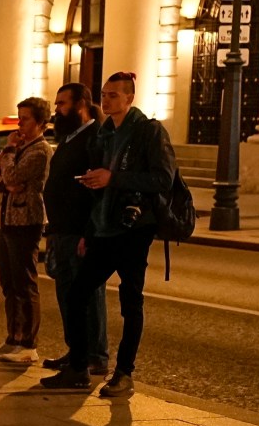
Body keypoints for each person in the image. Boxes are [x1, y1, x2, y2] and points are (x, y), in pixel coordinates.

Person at [49, 72, 172, 398]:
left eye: (114, 95)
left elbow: (162, 179)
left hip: (134, 230)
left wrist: (112, 178)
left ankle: (124, 373)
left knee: (131, 303)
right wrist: (88, 232)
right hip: (103, 228)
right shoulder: (104, 135)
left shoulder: (148, 131)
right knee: (77, 294)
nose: (106, 100)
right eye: (104, 94)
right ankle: (78, 367)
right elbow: (97, 191)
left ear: (129, 98)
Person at [39, 83, 111, 383]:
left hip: (80, 232)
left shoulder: (96, 139)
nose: (56, 110)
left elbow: (96, 193)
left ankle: (94, 356)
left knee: (87, 295)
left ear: (82, 103)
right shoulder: (70, 138)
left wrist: (89, 233)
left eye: (62, 104)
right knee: (67, 294)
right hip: (62, 230)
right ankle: (76, 350)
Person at [0, 98, 53, 365]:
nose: (20, 124)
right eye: (19, 118)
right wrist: (5, 181)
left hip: (24, 221)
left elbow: (13, 177)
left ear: (40, 123)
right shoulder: (17, 149)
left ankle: (28, 343)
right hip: (3, 220)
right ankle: (12, 338)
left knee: (24, 283)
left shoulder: (39, 151)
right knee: (8, 283)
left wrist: (7, 156)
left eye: (25, 118)